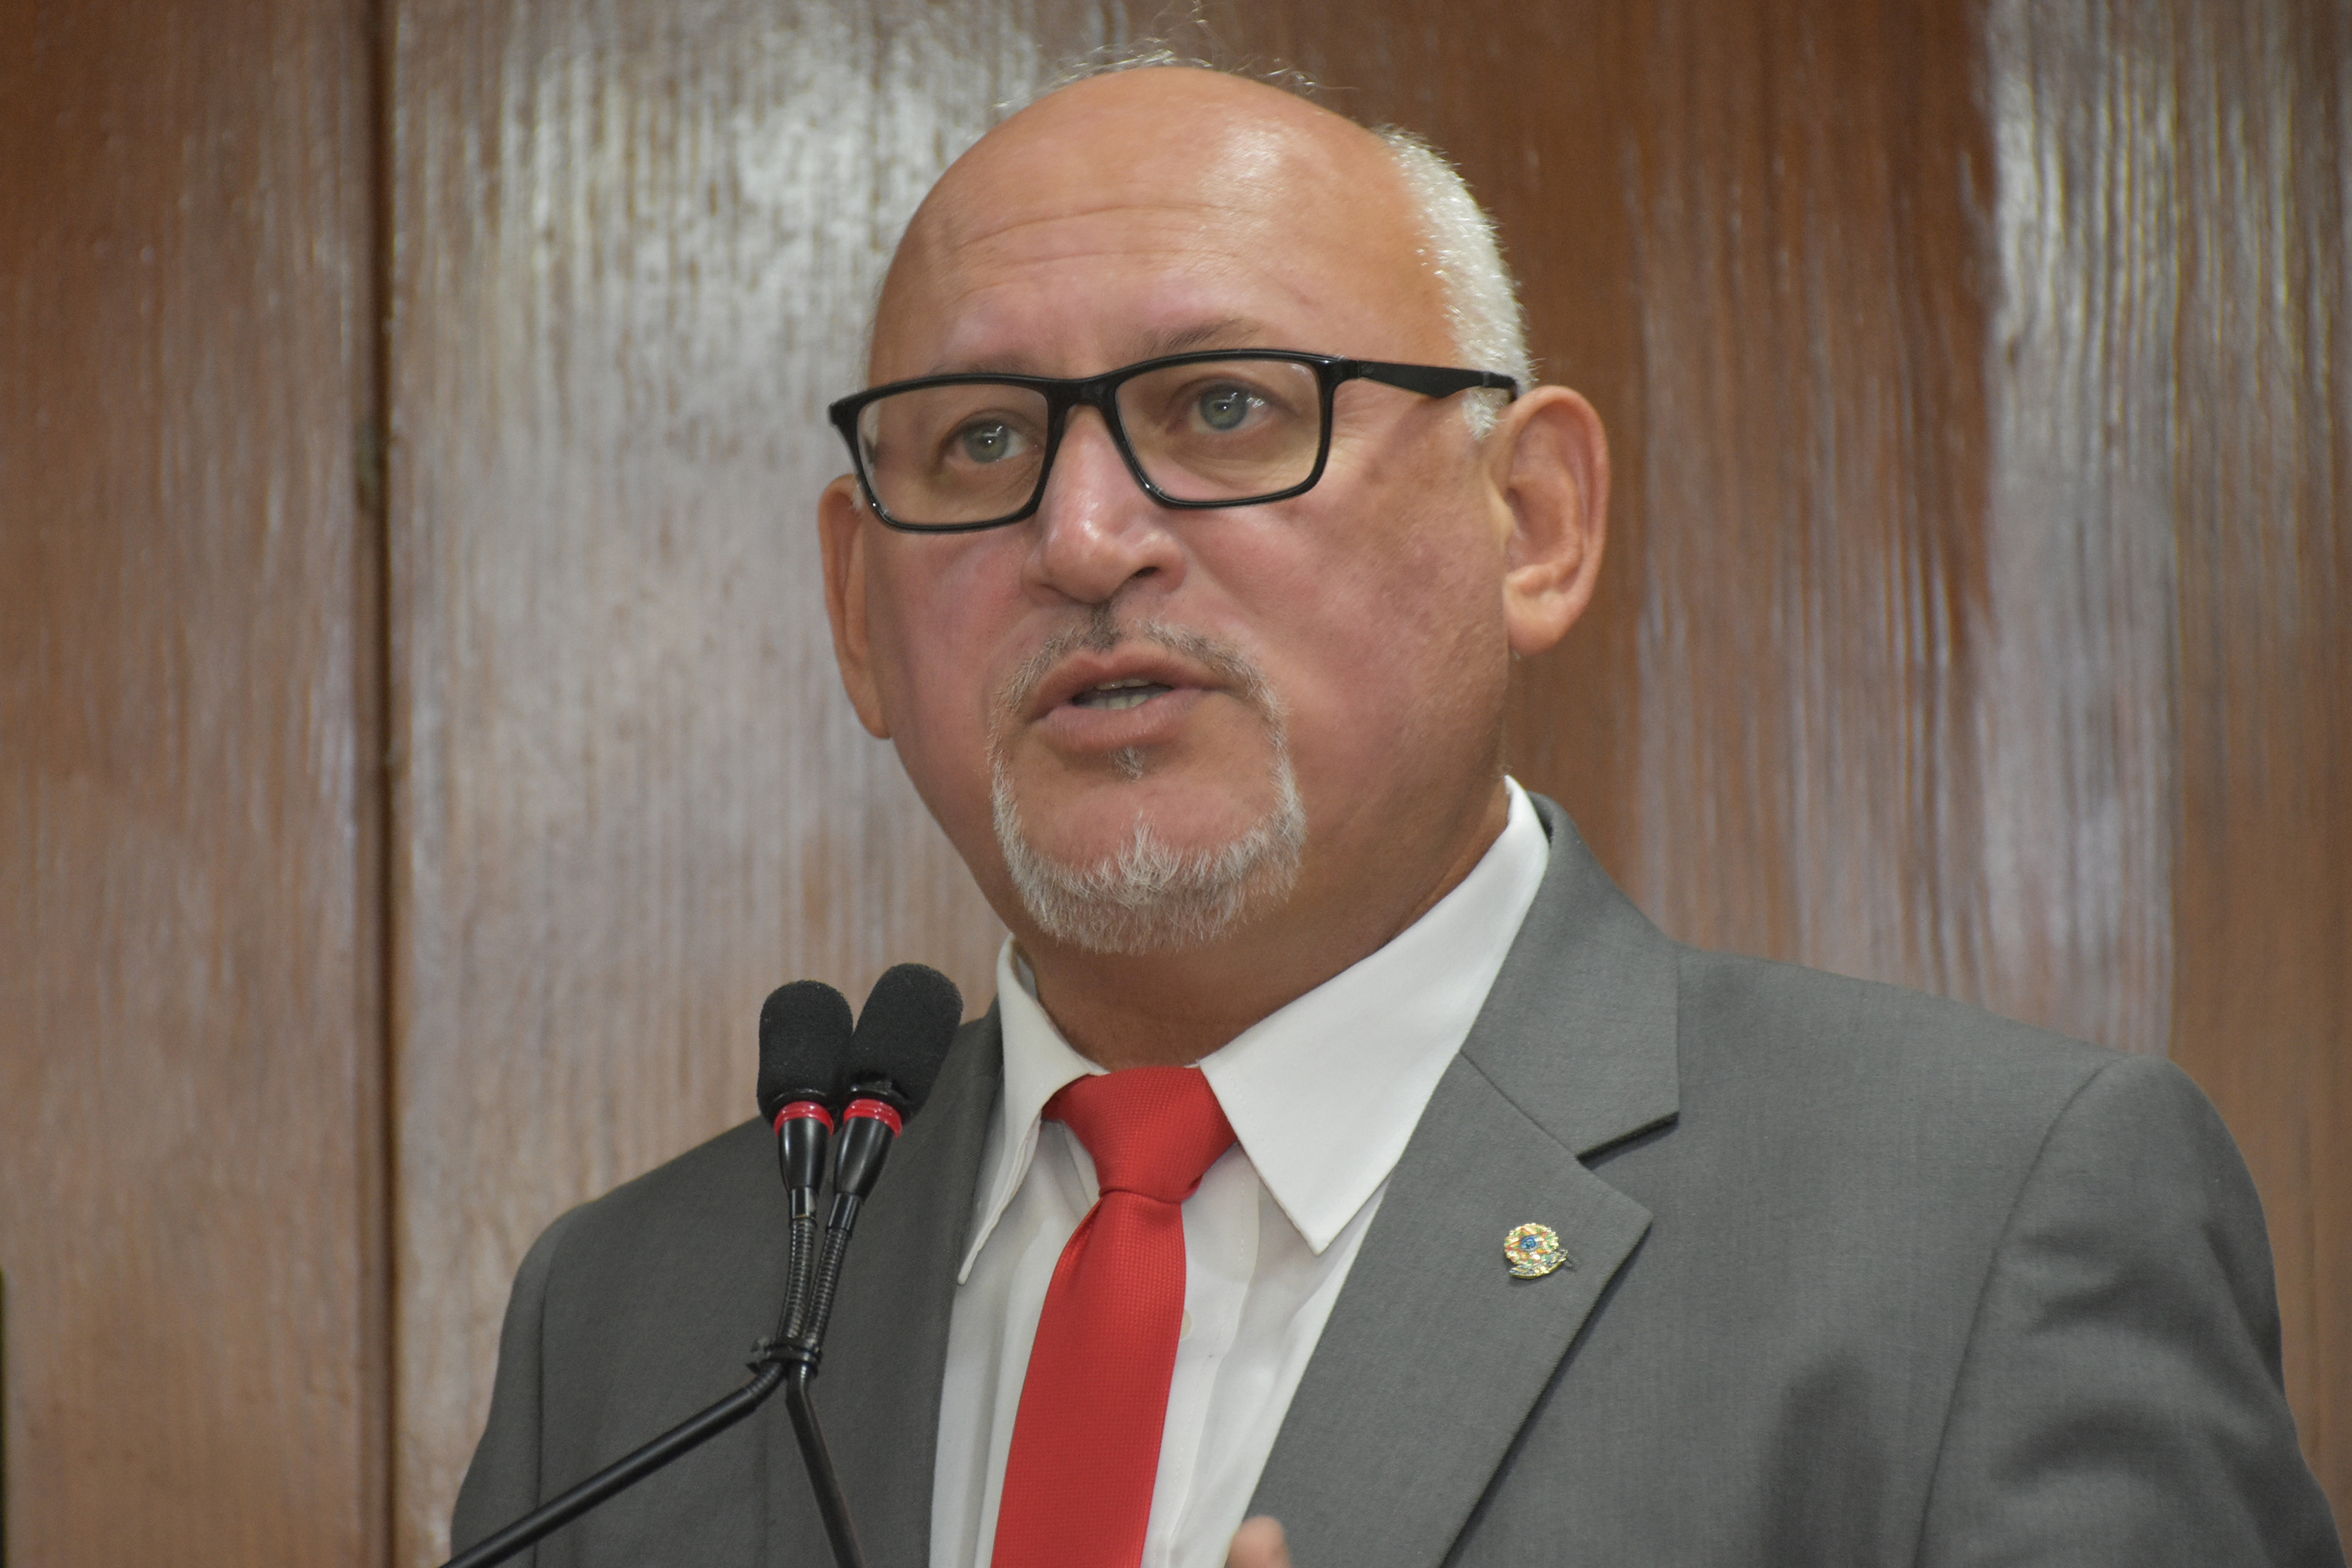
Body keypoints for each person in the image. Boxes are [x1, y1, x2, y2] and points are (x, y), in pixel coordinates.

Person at [452, 62, 2346, 1568]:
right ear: (862, 614)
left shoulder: (1986, 1225)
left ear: (1533, 522)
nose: (1085, 538)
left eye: (1222, 407)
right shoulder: (637, 1317)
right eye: (984, 441)